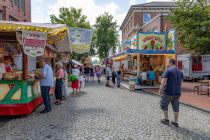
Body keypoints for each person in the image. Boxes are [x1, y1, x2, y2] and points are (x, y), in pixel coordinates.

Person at [159, 58, 183, 127]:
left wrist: (160, 90)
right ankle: (175, 122)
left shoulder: (168, 70)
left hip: (168, 92)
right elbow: (181, 82)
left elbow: (164, 81)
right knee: (176, 107)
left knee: (163, 104)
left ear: (170, 63)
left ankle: (166, 119)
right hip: (177, 92)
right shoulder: (180, 72)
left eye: (167, 62)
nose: (166, 64)